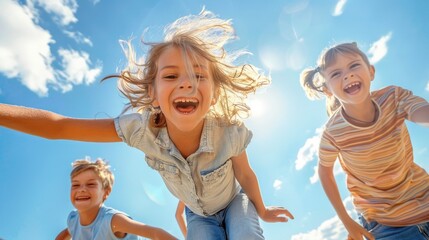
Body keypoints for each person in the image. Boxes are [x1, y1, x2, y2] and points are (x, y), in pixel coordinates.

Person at [0, 9, 293, 240]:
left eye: (199, 76)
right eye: (170, 76)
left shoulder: (228, 129)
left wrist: (263, 209)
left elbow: (245, 173)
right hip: (199, 215)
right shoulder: (141, 130)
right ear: (152, 93)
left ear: (214, 91)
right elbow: (60, 126)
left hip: (233, 202)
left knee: (245, 235)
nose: (187, 84)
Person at [300, 42, 429, 240]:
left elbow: (419, 111)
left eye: (354, 66)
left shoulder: (393, 97)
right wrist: (347, 221)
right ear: (327, 89)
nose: (348, 75)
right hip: (384, 222)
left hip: (423, 197)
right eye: (336, 73)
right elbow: (324, 172)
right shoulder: (332, 132)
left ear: (371, 71)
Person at [55, 158, 177, 240]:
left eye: (91, 184)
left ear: (106, 192)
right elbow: (68, 232)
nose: (81, 189)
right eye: (76, 185)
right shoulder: (73, 219)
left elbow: (154, 233)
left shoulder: (113, 221)